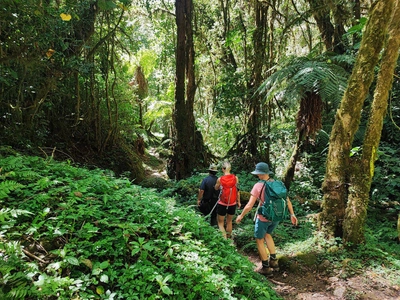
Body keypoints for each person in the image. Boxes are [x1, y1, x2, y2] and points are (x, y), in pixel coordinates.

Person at [235, 162, 298, 276]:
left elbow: (249, 205)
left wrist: (241, 215)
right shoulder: (277, 184)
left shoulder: (258, 185)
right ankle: (274, 262)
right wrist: (292, 214)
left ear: (260, 173)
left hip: (264, 217)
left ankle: (266, 268)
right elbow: (287, 200)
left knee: (259, 240)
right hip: (276, 216)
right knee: (268, 235)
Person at [214, 161, 241, 239]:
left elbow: (216, 188)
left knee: (220, 223)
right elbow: (237, 191)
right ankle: (229, 238)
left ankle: (224, 239)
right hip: (232, 203)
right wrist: (238, 202)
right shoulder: (235, 178)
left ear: (223, 169)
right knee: (229, 221)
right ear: (230, 168)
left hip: (222, 203)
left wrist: (217, 185)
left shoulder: (220, 179)